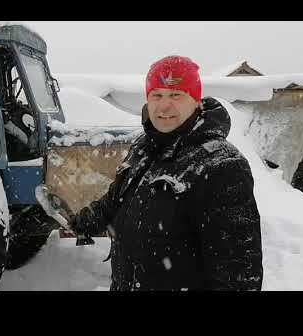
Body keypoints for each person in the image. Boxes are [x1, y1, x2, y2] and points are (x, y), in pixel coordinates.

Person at [68, 55, 263, 291]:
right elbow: (116, 201)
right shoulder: (144, 147)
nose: (164, 105)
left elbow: (238, 274)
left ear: (196, 101)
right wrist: (83, 221)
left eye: (176, 95)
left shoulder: (221, 164)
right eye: (157, 95)